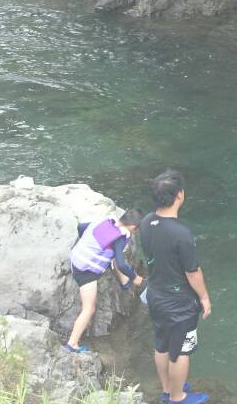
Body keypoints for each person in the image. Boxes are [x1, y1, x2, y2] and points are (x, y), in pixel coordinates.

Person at [138, 170, 212, 404]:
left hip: (155, 295)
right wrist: (204, 298)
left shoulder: (147, 221)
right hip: (179, 303)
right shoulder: (181, 233)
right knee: (181, 351)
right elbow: (193, 272)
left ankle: (167, 388)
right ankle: (178, 397)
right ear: (179, 195)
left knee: (161, 344)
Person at [65, 209, 146, 353]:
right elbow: (121, 264)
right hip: (85, 271)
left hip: (75, 258)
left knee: (114, 255)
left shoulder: (106, 221)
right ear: (134, 228)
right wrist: (135, 277)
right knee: (89, 309)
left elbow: (81, 227)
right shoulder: (120, 237)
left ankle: (124, 281)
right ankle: (72, 344)